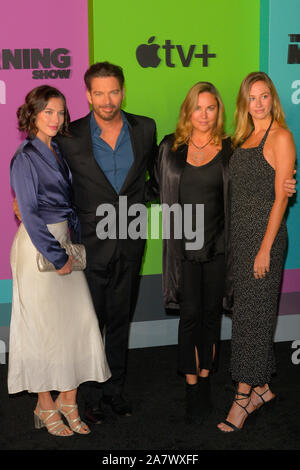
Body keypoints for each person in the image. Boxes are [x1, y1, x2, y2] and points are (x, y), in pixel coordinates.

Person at [153, 81, 296, 425]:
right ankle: (237, 388)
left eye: (211, 107)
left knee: (236, 319)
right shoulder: (192, 145)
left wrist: (285, 188)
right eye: (252, 97)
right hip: (211, 244)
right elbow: (156, 185)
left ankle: (234, 392)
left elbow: (270, 189)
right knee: (219, 317)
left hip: (242, 244)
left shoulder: (254, 141)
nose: (204, 114)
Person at [55, 62, 157, 423]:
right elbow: (56, 183)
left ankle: (115, 391)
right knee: (90, 322)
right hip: (90, 244)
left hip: (131, 241)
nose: (107, 99)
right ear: (88, 95)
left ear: (123, 91)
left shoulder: (145, 128)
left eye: (113, 91)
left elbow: (157, 179)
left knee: (119, 320)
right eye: (99, 92)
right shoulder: (69, 136)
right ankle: (92, 396)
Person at [8, 85, 111, 436]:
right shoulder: (24, 156)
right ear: (33, 114)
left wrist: (71, 248)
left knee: (79, 323)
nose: (56, 118)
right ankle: (45, 404)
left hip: (64, 243)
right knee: (42, 328)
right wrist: (56, 255)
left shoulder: (58, 151)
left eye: (60, 112)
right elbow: (32, 214)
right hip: (38, 249)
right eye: (48, 111)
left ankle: (68, 399)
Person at [217, 71, 296, 432]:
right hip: (241, 237)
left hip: (265, 238)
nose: (259, 103)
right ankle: (262, 388)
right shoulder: (242, 138)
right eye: (253, 97)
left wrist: (265, 248)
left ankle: (242, 398)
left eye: (265, 96)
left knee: (252, 317)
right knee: (251, 312)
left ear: (273, 99)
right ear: (244, 103)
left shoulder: (280, 135)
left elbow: (282, 196)